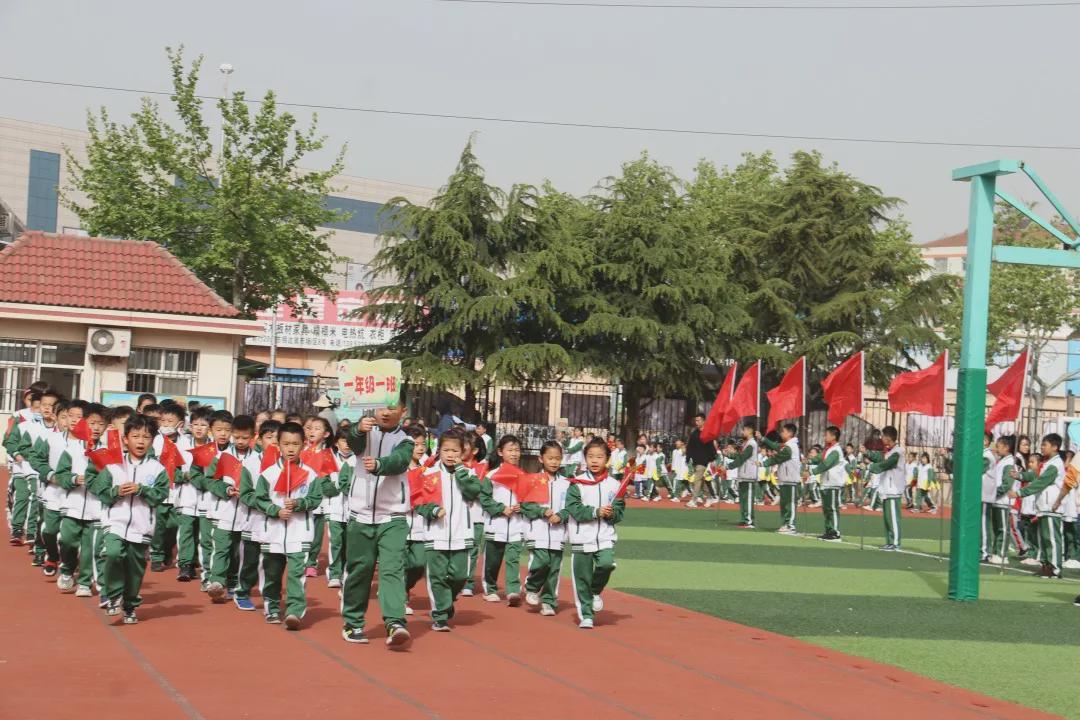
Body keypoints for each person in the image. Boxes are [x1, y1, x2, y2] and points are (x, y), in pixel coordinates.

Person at [340, 399, 415, 648]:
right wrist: (358, 430)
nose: (386, 412)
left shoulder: (405, 440)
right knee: (360, 570)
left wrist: (380, 465)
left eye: (393, 408)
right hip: (360, 514)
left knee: (392, 568)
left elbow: (401, 461)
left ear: (403, 412)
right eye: (382, 407)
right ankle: (353, 622)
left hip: (392, 516)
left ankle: (395, 623)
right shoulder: (365, 431)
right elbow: (353, 442)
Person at [90, 415, 169, 624]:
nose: (141, 441)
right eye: (135, 436)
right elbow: (101, 491)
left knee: (135, 571)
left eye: (146, 437)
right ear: (125, 439)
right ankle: (113, 594)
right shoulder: (113, 465)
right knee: (113, 554)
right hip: (114, 522)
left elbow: (160, 495)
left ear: (152, 440)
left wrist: (142, 489)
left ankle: (130, 605)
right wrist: (116, 491)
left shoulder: (157, 469)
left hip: (141, 527)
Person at [251, 421, 325, 629]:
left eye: (295, 444)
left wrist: (299, 504)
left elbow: (316, 499)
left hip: (299, 531)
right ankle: (272, 607)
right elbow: (259, 499)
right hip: (272, 532)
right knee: (272, 573)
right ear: (278, 445)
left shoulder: (311, 474)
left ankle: (294, 612)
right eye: (286, 444)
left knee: (296, 573)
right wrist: (275, 510)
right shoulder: (267, 474)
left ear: (303, 445)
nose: (290, 448)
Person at [414, 427, 488, 632]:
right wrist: (433, 510)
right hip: (435, 534)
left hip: (461, 533)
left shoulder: (470, 473)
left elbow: (473, 492)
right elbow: (419, 503)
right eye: (446, 450)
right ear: (439, 450)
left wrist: (462, 473)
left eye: (455, 451)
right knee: (437, 576)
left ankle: (447, 601)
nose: (450, 455)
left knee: (459, 576)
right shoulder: (429, 473)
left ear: (462, 452)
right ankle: (440, 615)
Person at [564, 437, 625, 629]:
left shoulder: (615, 485)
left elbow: (619, 513)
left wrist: (611, 513)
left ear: (607, 458)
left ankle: (595, 590)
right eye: (590, 456)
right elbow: (574, 509)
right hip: (582, 537)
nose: (595, 460)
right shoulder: (576, 484)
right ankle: (586, 615)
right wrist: (595, 512)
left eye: (599, 456)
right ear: (585, 459)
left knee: (606, 564)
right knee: (582, 578)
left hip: (605, 537)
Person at [56, 402, 107, 597]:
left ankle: (85, 582)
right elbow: (60, 474)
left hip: (96, 509)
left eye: (101, 424)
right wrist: (73, 479)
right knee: (67, 541)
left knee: (89, 548)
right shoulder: (72, 448)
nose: (96, 428)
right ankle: (67, 568)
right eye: (92, 423)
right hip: (72, 505)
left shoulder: (109, 451)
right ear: (84, 423)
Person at [205, 414, 258, 604]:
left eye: (245, 438)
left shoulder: (258, 460)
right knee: (221, 547)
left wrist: (247, 493)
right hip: (223, 511)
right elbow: (210, 480)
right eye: (237, 437)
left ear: (253, 436)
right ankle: (216, 581)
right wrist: (225, 489)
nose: (241, 441)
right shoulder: (221, 457)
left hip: (245, 515)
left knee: (238, 551)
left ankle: (233, 581)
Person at [522, 441, 572, 616]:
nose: (554, 462)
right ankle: (532, 586)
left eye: (557, 458)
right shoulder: (532, 480)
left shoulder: (567, 483)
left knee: (554, 568)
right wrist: (542, 511)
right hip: (537, 530)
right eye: (550, 458)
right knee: (542, 562)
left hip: (558, 532)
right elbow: (525, 506)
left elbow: (572, 506)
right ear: (540, 458)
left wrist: (562, 515)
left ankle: (549, 600)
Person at [236, 420, 280, 611]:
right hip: (253, 520)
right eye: (269, 438)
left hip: (277, 521)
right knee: (250, 560)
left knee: (271, 562)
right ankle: (243, 591)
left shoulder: (287, 464)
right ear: (259, 440)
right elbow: (245, 494)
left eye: (279, 439)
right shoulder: (250, 463)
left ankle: (270, 598)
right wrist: (264, 505)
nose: (274, 442)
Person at [1013, 433, 1066, 579]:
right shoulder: (1047, 462)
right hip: (1043, 506)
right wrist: (1020, 476)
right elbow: (1035, 476)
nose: (1042, 447)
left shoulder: (1055, 465)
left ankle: (1055, 568)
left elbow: (1041, 482)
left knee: (1052, 539)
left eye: (1045, 445)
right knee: (1044, 538)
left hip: (1051, 507)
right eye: (1042, 444)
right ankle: (1046, 565)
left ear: (1055, 447)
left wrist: (1019, 492)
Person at [482, 435, 526, 606]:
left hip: (516, 525)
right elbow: (485, 499)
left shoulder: (524, 475)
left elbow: (530, 499)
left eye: (517, 450)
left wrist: (522, 507)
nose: (514, 454)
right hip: (495, 526)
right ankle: (490, 588)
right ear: (500, 452)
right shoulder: (491, 476)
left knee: (513, 558)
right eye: (510, 450)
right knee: (493, 560)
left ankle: (513, 590)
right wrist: (501, 508)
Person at [148, 402, 188, 572]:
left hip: (178, 493)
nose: (165, 425)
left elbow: (187, 467)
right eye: (163, 421)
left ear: (179, 424)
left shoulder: (185, 442)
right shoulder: (155, 441)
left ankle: (167, 550)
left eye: (170, 421)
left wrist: (180, 476)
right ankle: (156, 556)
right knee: (158, 526)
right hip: (160, 492)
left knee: (172, 526)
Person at [174, 406, 211, 582]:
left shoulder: (214, 446)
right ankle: (185, 565)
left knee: (206, 534)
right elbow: (170, 470)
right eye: (195, 424)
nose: (198, 428)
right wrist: (183, 476)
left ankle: (207, 567)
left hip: (207, 498)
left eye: (203, 425)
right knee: (186, 531)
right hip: (186, 495)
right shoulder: (182, 444)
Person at [302, 416, 333, 578]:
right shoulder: (301, 450)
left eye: (317, 428)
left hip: (320, 501)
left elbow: (331, 477)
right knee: (301, 530)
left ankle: (311, 563)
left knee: (316, 533)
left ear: (326, 434)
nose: (312, 431)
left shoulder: (328, 454)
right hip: (301, 498)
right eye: (310, 428)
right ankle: (300, 558)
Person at [325, 430, 356, 589]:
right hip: (334, 508)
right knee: (336, 541)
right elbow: (323, 486)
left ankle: (345, 571)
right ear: (336, 443)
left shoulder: (358, 460)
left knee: (349, 543)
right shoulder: (328, 459)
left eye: (350, 441)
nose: (347, 444)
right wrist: (338, 485)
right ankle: (334, 573)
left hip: (353, 510)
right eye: (344, 441)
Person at [867, 426, 906, 551]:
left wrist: (870, 467)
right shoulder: (889, 451)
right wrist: (867, 453)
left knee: (894, 517)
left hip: (894, 488)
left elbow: (886, 464)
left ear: (888, 438)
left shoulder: (898, 452)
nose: (881, 438)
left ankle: (895, 543)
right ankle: (889, 541)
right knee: (887, 518)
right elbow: (880, 458)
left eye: (883, 436)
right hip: (887, 489)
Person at [761, 424, 801, 534]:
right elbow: (775, 446)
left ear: (789, 433)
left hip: (791, 480)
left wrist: (764, 463)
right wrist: (763, 439)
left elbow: (778, 457)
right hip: (784, 479)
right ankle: (785, 524)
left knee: (790, 504)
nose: (781, 433)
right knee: (784, 504)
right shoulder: (785, 445)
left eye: (783, 431)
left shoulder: (791, 447)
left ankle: (791, 525)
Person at [809, 425, 845, 542]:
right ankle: (828, 531)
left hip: (833, 483)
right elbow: (820, 458)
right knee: (826, 509)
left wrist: (812, 471)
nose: (825, 436)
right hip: (826, 482)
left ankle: (835, 532)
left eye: (827, 434)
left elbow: (826, 464)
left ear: (834, 436)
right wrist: (810, 460)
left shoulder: (836, 450)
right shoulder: (828, 449)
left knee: (832, 508)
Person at [987, 434, 1019, 564]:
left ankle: (1002, 554)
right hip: (997, 501)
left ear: (1006, 447)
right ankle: (996, 552)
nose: (996, 448)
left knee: (1003, 529)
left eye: (998, 446)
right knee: (997, 529)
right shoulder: (1002, 461)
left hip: (1003, 501)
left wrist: (993, 494)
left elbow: (1006, 485)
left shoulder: (1010, 463)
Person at [729, 425, 759, 528]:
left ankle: (749, 521)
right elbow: (739, 455)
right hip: (743, 474)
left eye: (744, 430)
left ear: (750, 431)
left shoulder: (752, 444)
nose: (742, 432)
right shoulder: (745, 443)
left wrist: (729, 466)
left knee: (748, 498)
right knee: (742, 499)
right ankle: (743, 518)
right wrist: (729, 455)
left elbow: (742, 457)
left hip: (749, 475)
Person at [686, 414, 715, 508]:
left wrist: (712, 459)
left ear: (703, 421)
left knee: (697, 480)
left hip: (704, 461)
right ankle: (710, 497)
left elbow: (711, 448)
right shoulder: (694, 433)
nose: (696, 422)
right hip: (696, 460)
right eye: (696, 420)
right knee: (702, 481)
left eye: (698, 420)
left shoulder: (707, 433)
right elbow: (690, 446)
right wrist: (688, 457)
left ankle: (694, 500)